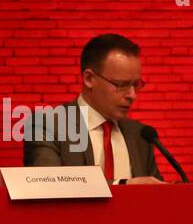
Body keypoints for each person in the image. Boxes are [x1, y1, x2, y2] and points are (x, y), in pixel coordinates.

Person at [23, 33, 163, 183]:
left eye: (135, 85)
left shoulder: (141, 135)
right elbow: (49, 186)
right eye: (121, 84)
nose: (132, 95)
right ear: (89, 78)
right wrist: (123, 185)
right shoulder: (47, 126)